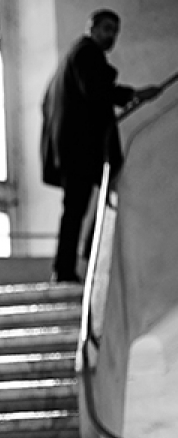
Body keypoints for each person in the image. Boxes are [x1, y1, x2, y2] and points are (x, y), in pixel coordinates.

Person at [41, 8, 160, 283]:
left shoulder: (73, 58)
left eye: (115, 31)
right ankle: (74, 262)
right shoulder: (86, 54)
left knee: (82, 205)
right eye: (106, 29)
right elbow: (96, 91)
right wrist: (133, 94)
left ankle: (76, 259)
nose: (111, 36)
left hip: (72, 150)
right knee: (88, 202)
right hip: (80, 150)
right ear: (91, 29)